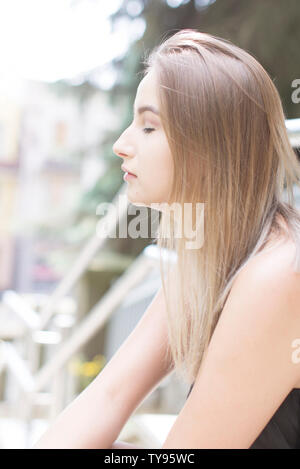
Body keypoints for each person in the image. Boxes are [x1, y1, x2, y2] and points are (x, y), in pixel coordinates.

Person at [34, 29, 300, 449]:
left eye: (149, 127)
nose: (122, 145)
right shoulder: (207, 257)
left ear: (211, 146)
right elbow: (110, 394)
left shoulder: (278, 273)